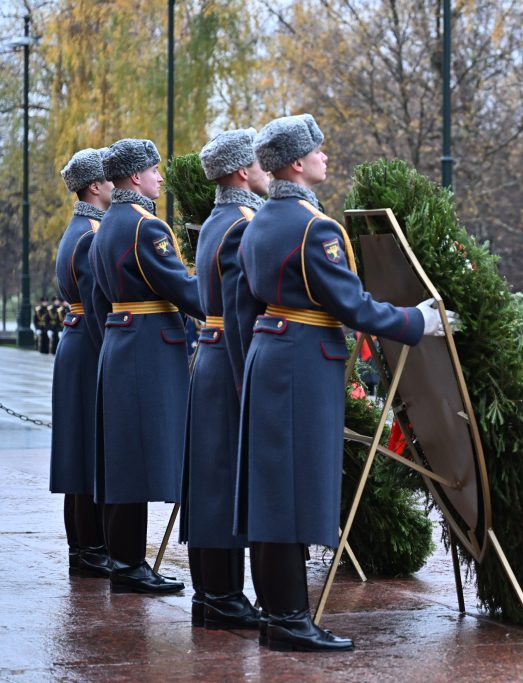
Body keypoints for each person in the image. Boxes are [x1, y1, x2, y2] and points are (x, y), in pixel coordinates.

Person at [233, 114, 453, 652]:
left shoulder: (258, 219)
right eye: (317, 151)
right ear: (296, 164)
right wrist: (417, 322)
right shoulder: (313, 226)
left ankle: (275, 613)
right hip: (301, 364)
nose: (325, 157)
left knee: (272, 493)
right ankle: (288, 619)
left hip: (271, 357)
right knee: (290, 492)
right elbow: (351, 305)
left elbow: (242, 308)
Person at [89, 138, 203, 594]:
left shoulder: (107, 223)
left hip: (122, 340)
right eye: (154, 170)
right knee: (135, 459)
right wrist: (225, 302)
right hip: (148, 348)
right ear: (135, 177)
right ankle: (129, 565)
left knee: (123, 458)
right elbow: (181, 287)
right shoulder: (145, 227)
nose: (160, 177)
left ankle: (124, 560)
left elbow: (99, 300)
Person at [179, 128, 269, 631]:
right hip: (229, 357)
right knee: (222, 482)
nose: (264, 169)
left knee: (211, 479)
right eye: (258, 162)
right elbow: (239, 313)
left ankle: (209, 593)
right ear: (241, 171)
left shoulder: (219, 218)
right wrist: (246, 378)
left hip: (209, 356)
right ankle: (225, 596)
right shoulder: (241, 222)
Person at [50, 147, 114, 579]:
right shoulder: (92, 232)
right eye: (110, 179)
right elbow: (97, 308)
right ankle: (92, 549)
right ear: (95, 186)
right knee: (90, 455)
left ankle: (84, 549)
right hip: (89, 348)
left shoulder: (79, 227)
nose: (116, 185)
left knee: (79, 455)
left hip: (74, 345)